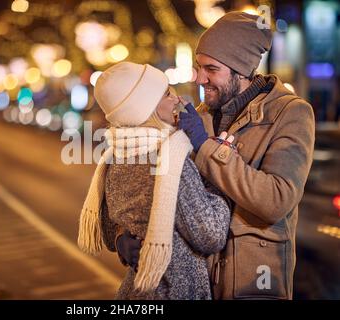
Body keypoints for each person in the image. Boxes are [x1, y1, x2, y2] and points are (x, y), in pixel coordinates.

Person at [116, 12, 315, 299]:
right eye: (198, 67)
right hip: (195, 287)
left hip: (251, 286)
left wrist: (205, 146)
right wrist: (123, 234)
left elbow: (276, 199)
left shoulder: (290, 113)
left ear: (242, 71)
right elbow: (161, 187)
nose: (199, 78)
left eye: (211, 69)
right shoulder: (200, 116)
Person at [77, 61, 231, 299]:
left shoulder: (114, 158)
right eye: (168, 93)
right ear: (146, 107)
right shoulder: (171, 158)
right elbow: (211, 235)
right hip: (174, 292)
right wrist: (216, 172)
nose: (177, 99)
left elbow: (110, 232)